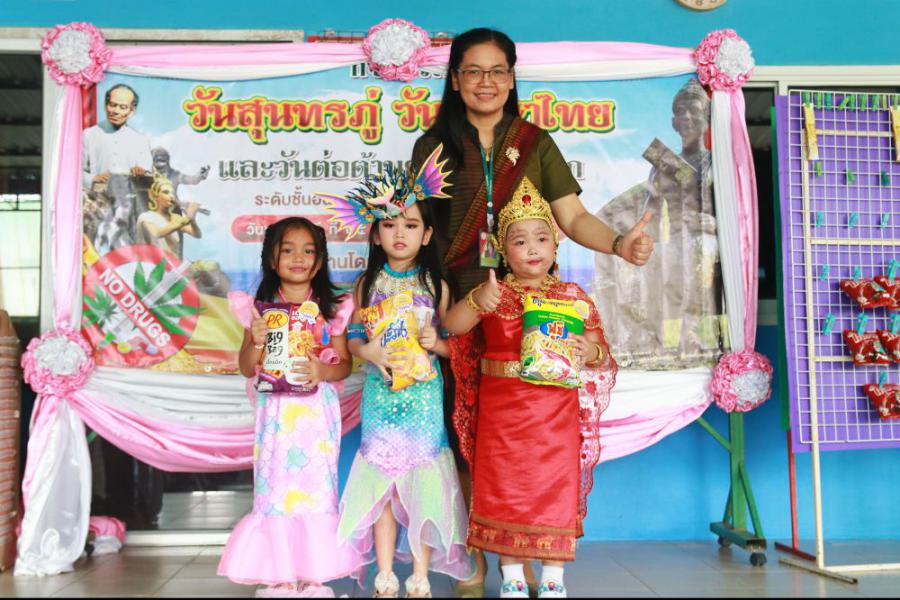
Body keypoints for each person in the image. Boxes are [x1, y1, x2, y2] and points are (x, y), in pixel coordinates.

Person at [410, 27, 651, 593]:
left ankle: (534, 554)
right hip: (464, 305)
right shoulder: (433, 146)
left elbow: (572, 218)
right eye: (473, 71)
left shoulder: (534, 142)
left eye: (497, 71)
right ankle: (476, 553)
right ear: (454, 80)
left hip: (529, 310)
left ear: (512, 78)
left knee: (535, 442)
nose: (486, 81)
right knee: (465, 435)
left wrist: (619, 244)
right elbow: (417, 227)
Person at [444, 179, 616, 599]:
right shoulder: (495, 294)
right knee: (506, 488)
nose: (532, 249)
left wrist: (589, 349)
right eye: (519, 241)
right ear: (503, 251)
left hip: (554, 416)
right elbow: (453, 327)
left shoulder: (573, 296)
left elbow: (602, 352)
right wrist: (477, 302)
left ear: (556, 245)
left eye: (541, 238)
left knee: (553, 487)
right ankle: (512, 577)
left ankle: (554, 577)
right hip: (502, 417)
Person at [322, 148, 473, 597]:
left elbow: (454, 346)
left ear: (427, 235)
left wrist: (436, 344)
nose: (399, 233)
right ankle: (385, 572)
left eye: (410, 225)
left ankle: (421, 574)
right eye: (389, 225)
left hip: (423, 399)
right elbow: (353, 335)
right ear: (375, 234)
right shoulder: (366, 284)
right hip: (381, 396)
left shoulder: (435, 286)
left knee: (423, 483)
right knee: (382, 483)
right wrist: (366, 349)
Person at [217, 217, 360, 598]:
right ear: (271, 258)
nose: (298, 258)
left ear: (320, 260)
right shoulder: (259, 309)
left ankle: (313, 577)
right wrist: (257, 341)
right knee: (276, 491)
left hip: (315, 416)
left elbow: (345, 364)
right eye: (288, 250)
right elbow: (246, 367)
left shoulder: (331, 308)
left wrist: (323, 370)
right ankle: (279, 577)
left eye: (308, 251)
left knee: (316, 490)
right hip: (276, 417)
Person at [594, 77, 723, 369]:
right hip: (674, 244)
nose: (687, 117)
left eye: (694, 110)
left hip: (705, 241)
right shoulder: (663, 164)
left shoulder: (717, 164)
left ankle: (694, 345)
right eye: (681, 111)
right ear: (673, 122)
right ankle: (644, 343)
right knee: (634, 262)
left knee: (700, 248)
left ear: (707, 119)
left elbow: (731, 213)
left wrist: (710, 221)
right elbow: (649, 212)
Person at [135, 176, 202, 259]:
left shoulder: (175, 218)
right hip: (152, 265)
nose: (171, 196)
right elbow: (156, 233)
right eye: (166, 192)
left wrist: (192, 219)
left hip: (173, 265)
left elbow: (197, 234)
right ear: (155, 195)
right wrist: (187, 218)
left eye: (172, 193)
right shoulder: (146, 217)